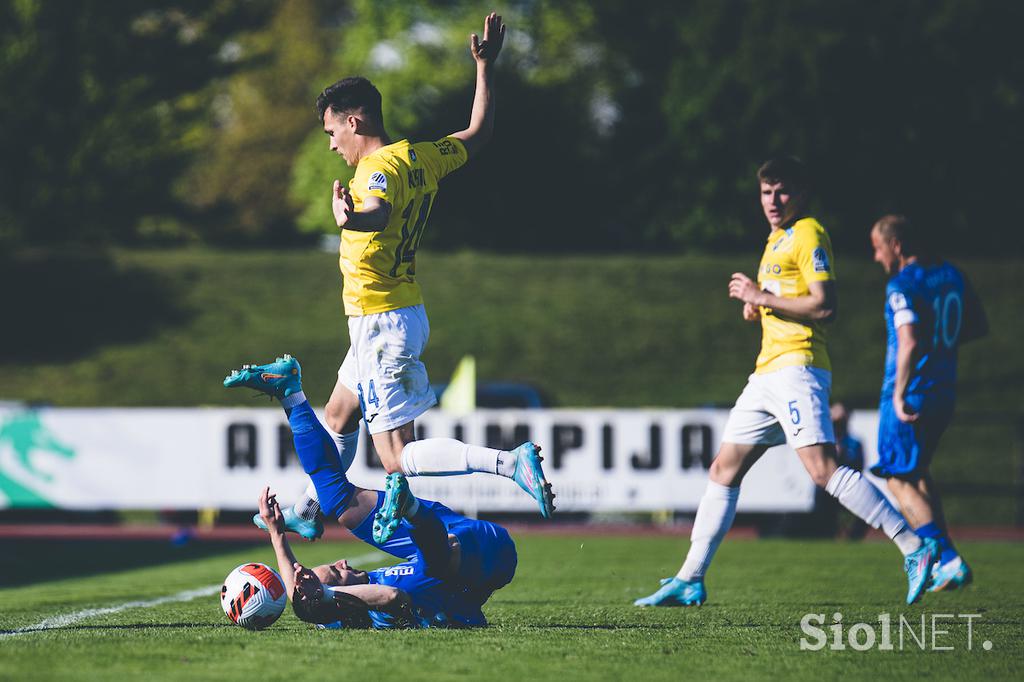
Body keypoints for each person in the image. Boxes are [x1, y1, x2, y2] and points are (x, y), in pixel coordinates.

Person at [251, 13, 554, 543]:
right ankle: (306, 505)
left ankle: (509, 464)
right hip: (395, 313)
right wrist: (485, 68)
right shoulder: (419, 157)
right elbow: (477, 134)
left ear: (355, 121)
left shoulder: (375, 170)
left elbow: (379, 210)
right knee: (340, 415)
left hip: (380, 320)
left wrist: (353, 218)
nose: (330, 145)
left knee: (395, 457)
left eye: (331, 131)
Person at [635, 158, 938, 608]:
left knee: (823, 470)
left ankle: (915, 548)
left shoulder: (809, 233)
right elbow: (786, 299)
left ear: (801, 192)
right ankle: (690, 578)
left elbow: (824, 305)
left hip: (798, 367)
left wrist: (761, 296)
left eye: (782, 191)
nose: (773, 201)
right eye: (765, 193)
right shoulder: (775, 239)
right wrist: (761, 307)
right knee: (723, 469)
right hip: (766, 372)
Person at [228, 358, 518, 628]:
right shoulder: (372, 607)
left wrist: (276, 533)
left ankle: (291, 395)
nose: (342, 562)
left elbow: (298, 595)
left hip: (462, 548)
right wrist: (326, 595)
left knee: (339, 494)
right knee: (435, 563)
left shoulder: (333, 609)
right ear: (337, 594)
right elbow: (393, 597)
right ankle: (413, 508)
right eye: (338, 572)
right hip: (482, 554)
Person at [869, 214, 988, 591]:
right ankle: (948, 558)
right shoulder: (952, 275)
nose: (875, 257)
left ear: (897, 246)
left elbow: (910, 340)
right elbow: (974, 326)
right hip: (944, 388)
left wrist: (901, 393)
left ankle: (943, 557)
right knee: (917, 472)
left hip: (912, 390)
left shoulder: (902, 283)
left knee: (896, 475)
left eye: (878, 247)